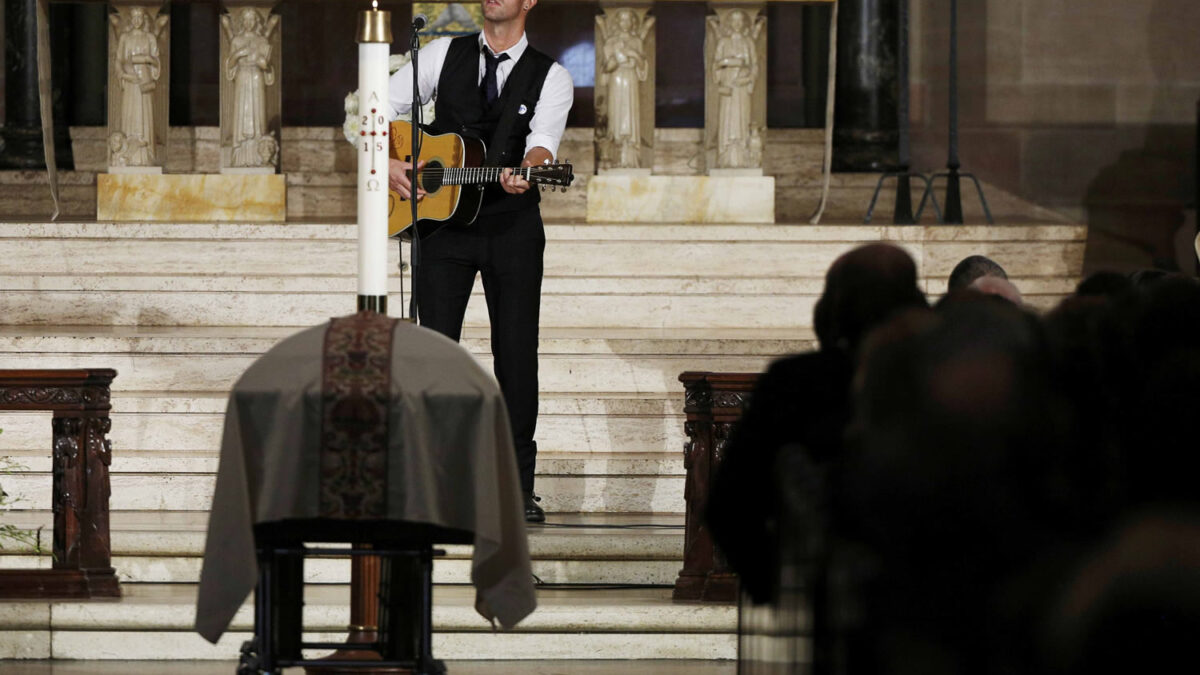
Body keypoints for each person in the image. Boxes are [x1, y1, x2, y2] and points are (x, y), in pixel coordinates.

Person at [387, 0, 573, 523]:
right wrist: (390, 158)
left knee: (516, 352)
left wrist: (529, 170)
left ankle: (516, 487)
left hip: (511, 226)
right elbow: (382, 105)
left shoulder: (551, 75)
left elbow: (542, 145)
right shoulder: (442, 53)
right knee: (436, 351)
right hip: (442, 223)